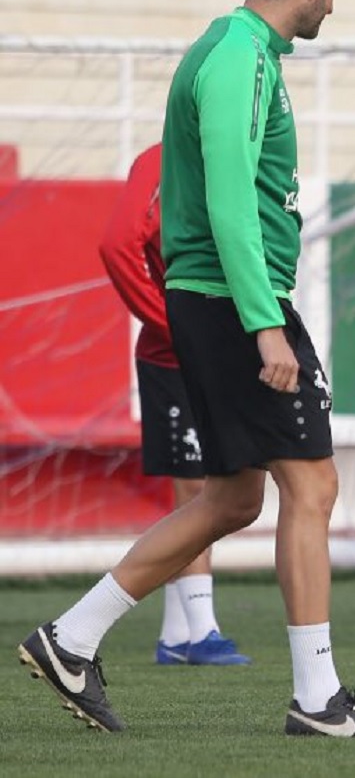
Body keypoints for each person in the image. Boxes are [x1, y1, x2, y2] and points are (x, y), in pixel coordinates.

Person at [19, 0, 355, 736]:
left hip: (213, 302)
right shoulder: (240, 58)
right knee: (313, 483)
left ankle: (72, 635)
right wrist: (265, 323)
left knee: (237, 496)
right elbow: (233, 205)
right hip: (239, 305)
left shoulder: (239, 51)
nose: (334, 4)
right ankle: (317, 699)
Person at [98, 141, 250, 667]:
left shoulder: (237, 154)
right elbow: (117, 244)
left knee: (218, 489)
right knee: (202, 493)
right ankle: (199, 631)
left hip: (224, 348)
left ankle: (179, 635)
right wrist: (170, 324)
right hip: (176, 356)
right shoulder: (161, 159)